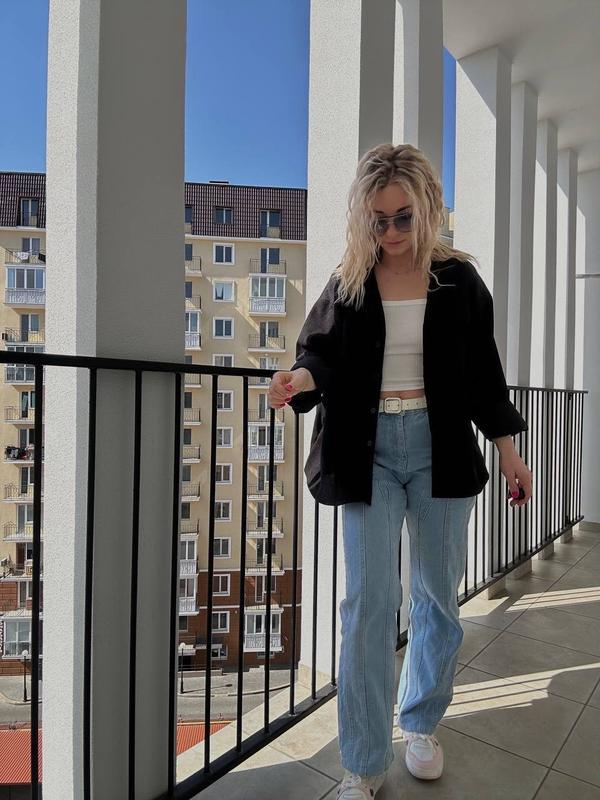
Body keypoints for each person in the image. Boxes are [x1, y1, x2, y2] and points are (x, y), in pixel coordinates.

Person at [267, 143, 533, 799]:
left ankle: (420, 723)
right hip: (369, 449)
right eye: (379, 219)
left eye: (403, 217)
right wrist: (295, 380)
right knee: (367, 603)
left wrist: (507, 449)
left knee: (437, 596)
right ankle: (362, 761)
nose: (390, 232)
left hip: (440, 445)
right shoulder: (350, 281)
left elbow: (484, 375)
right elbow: (318, 356)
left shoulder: (459, 282)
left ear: (428, 208)